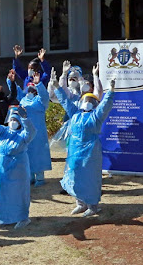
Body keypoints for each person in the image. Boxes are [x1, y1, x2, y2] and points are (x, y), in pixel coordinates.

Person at [53, 76, 116, 217]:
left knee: (90, 178)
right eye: (85, 100)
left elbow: (106, 105)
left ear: (94, 103)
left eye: (90, 101)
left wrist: (111, 91)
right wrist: (57, 87)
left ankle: (93, 206)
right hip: (74, 152)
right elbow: (65, 101)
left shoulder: (96, 116)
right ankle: (80, 204)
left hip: (91, 154)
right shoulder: (75, 114)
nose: (87, 102)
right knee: (75, 176)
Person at [0, 105, 36, 229]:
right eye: (12, 120)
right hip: (2, 168)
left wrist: (25, 119)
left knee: (18, 193)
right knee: (2, 192)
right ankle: (3, 217)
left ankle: (23, 217)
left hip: (19, 168)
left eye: (16, 121)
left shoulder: (23, 135)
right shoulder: (3, 132)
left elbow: (31, 132)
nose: (13, 122)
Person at [19, 72, 52, 187]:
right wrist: (11, 82)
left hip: (38, 131)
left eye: (32, 91)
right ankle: (30, 176)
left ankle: (40, 177)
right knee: (27, 153)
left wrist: (39, 84)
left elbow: (45, 96)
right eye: (29, 90)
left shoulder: (40, 101)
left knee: (38, 153)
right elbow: (16, 94)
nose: (30, 92)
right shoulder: (23, 100)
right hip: (26, 130)